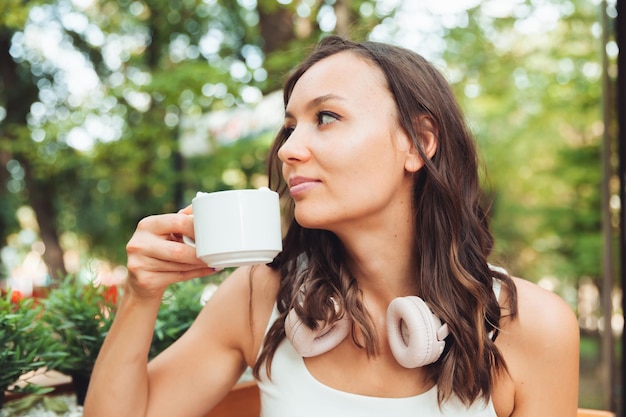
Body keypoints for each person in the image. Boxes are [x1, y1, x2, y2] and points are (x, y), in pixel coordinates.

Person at [83, 36, 579, 417]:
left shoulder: (534, 326)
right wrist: (140, 296)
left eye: (326, 116)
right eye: (290, 126)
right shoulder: (260, 294)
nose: (288, 149)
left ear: (418, 142)